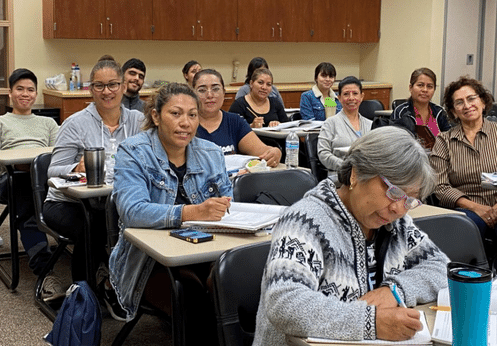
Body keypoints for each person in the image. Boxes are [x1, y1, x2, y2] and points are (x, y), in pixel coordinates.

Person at [253, 126, 450, 345]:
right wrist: (371, 323)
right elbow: (285, 303)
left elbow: (441, 267)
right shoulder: (305, 222)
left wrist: (395, 290)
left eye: (409, 200)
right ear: (356, 174)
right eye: (393, 192)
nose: (398, 208)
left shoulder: (396, 225)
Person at [109, 82, 231, 345]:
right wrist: (193, 212)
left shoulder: (210, 153)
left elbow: (228, 204)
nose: (185, 122)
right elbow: (132, 211)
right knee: (193, 298)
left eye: (192, 114)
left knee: (236, 285)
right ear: (156, 116)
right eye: (175, 114)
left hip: (207, 251)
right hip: (149, 262)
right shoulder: (134, 152)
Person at [42, 56, 144, 320]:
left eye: (113, 84)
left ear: (123, 86)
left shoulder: (137, 121)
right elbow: (52, 171)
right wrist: (76, 169)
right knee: (92, 225)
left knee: (138, 223)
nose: (107, 91)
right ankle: (83, 299)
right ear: (90, 89)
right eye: (99, 86)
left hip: (115, 201)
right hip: (66, 203)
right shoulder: (75, 123)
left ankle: (119, 285)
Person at [0, 68, 61, 300]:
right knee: (24, 189)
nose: (25, 94)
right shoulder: (2, 122)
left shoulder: (48, 123)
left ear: (35, 94)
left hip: (44, 178)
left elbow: (60, 154)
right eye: (20, 89)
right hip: (10, 179)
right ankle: (45, 270)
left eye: (30, 90)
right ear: (10, 93)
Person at [430, 76, 497, 253]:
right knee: (467, 227)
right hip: (465, 208)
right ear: (453, 111)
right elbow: (440, 186)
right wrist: (477, 208)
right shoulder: (444, 141)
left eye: (471, 98)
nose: (467, 106)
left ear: (483, 101)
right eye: (459, 103)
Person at [193, 69, 282, 167]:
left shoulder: (235, 122)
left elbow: (262, 150)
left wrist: (275, 152)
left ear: (223, 93)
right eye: (202, 90)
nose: (210, 95)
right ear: (192, 94)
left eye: (215, 89)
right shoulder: (186, 124)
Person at [317, 76, 372, 180]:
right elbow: (323, 154)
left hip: (366, 177)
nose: (351, 98)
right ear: (339, 98)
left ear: (362, 96)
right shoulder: (330, 123)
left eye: (355, 93)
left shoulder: (370, 125)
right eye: (346, 94)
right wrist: (346, 167)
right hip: (339, 177)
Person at [391, 68, 451, 137]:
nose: (425, 90)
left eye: (429, 86)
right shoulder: (401, 111)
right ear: (411, 88)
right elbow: (394, 140)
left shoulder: (440, 112)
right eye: (420, 85)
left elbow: (449, 140)